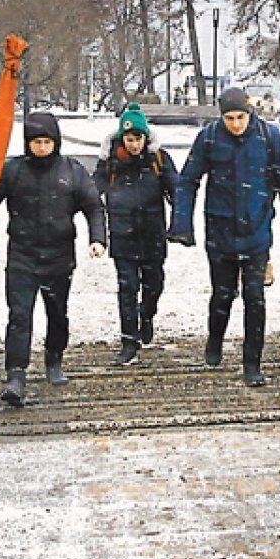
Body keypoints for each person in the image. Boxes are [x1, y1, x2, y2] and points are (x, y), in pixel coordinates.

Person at [167, 87, 280, 387]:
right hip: (220, 230)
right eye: (230, 118)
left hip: (256, 230)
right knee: (222, 294)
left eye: (241, 117)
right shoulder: (210, 137)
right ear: (221, 116)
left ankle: (252, 362)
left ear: (249, 113)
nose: (236, 124)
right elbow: (188, 181)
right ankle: (215, 340)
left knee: (255, 298)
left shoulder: (269, 138)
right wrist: (181, 224)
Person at [0, 112, 106, 407]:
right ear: (27, 143)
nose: (42, 147)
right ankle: (16, 373)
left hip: (59, 257)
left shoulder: (72, 171)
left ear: (56, 142)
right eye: (36, 142)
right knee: (19, 316)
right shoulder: (13, 171)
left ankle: (54, 358)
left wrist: (97, 238)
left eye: (47, 141)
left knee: (57, 314)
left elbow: (93, 207)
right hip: (22, 255)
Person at [93, 103, 178, 366]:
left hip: (153, 233)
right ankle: (129, 340)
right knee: (127, 287)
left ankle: (147, 314)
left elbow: (177, 192)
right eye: (129, 139)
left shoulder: (158, 160)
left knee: (154, 284)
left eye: (138, 139)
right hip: (123, 234)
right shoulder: (110, 163)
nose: (134, 145)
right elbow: (91, 193)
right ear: (122, 138)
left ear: (145, 137)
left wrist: (180, 224)